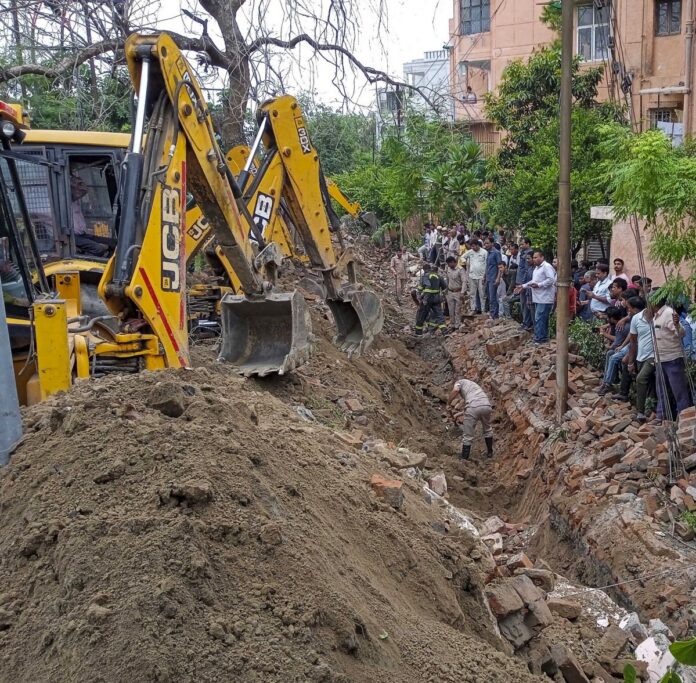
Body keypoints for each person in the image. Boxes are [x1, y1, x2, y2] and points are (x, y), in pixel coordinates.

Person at [652, 299, 693, 421]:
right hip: (660, 359)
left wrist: (677, 325)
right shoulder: (656, 315)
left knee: (679, 391)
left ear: (654, 302)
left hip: (672, 359)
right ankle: (661, 416)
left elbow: (681, 333)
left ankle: (685, 419)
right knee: (661, 390)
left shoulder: (669, 313)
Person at [616, 297, 655, 423]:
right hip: (640, 355)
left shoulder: (658, 318)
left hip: (654, 356)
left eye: (629, 308)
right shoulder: (636, 319)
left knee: (641, 379)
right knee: (649, 383)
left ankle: (641, 412)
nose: (627, 311)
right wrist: (631, 361)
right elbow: (633, 342)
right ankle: (649, 409)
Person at [515, 250, 556, 345]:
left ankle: (539, 338)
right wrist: (523, 286)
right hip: (538, 297)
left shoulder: (546, 267)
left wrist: (539, 285)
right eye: (533, 257)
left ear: (542, 257)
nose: (534, 259)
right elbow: (533, 281)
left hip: (545, 298)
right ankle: (543, 337)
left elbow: (551, 280)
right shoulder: (536, 269)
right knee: (542, 318)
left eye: (536, 257)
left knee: (539, 317)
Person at [448, 377, 493, 460]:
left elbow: (455, 390)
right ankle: (490, 452)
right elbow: (472, 407)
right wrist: (457, 415)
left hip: (473, 407)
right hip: (486, 405)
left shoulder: (459, 382)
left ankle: (464, 458)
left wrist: (448, 402)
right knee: (487, 429)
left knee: (468, 435)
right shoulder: (472, 386)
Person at [71, 174, 109, 258]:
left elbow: (84, 190)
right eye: (77, 189)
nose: (80, 193)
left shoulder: (76, 202)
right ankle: (82, 259)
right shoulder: (65, 202)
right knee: (98, 249)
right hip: (72, 236)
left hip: (82, 234)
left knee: (111, 242)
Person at [598, 305, 631, 395]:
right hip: (625, 346)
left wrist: (604, 335)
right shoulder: (622, 322)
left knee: (612, 356)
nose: (607, 320)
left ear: (612, 318)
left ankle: (608, 384)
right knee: (610, 353)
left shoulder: (619, 326)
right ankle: (607, 380)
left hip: (630, 348)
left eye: (608, 318)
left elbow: (616, 343)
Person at [414, 263, 446, 336]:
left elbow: (421, 288)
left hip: (427, 299)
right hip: (436, 299)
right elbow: (444, 287)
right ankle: (445, 332)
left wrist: (420, 296)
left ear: (424, 270)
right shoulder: (438, 276)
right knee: (439, 315)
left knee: (421, 315)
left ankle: (418, 333)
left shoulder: (425, 276)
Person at [463, 240, 487, 314]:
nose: (472, 248)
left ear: (477, 245)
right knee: (472, 294)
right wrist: (466, 262)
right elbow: (462, 257)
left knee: (482, 294)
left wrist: (485, 276)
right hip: (472, 276)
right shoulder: (470, 252)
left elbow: (487, 263)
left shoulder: (484, 252)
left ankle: (483, 310)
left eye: (473, 246)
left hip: (481, 276)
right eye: (471, 246)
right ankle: (473, 309)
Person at [483, 236, 504, 320]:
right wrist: (484, 276)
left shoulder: (496, 253)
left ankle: (494, 315)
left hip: (493, 278)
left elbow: (500, 267)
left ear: (492, 243)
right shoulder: (488, 253)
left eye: (487, 243)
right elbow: (487, 266)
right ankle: (493, 313)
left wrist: (498, 278)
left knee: (493, 298)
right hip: (488, 278)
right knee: (489, 297)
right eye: (485, 243)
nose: (486, 245)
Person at [516, 238, 534, 331]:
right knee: (523, 304)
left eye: (523, 244)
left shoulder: (529, 254)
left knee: (526, 304)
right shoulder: (523, 252)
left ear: (528, 244)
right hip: (522, 283)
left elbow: (526, 271)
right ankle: (525, 322)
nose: (521, 246)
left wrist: (523, 284)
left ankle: (527, 323)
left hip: (525, 284)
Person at [444, 255, 465, 331]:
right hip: (450, 292)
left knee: (457, 310)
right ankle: (452, 324)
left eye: (449, 264)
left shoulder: (460, 270)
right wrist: (445, 290)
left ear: (453, 262)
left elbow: (464, 281)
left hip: (458, 292)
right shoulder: (448, 269)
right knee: (451, 310)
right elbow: (447, 280)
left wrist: (462, 292)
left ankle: (457, 324)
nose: (449, 265)